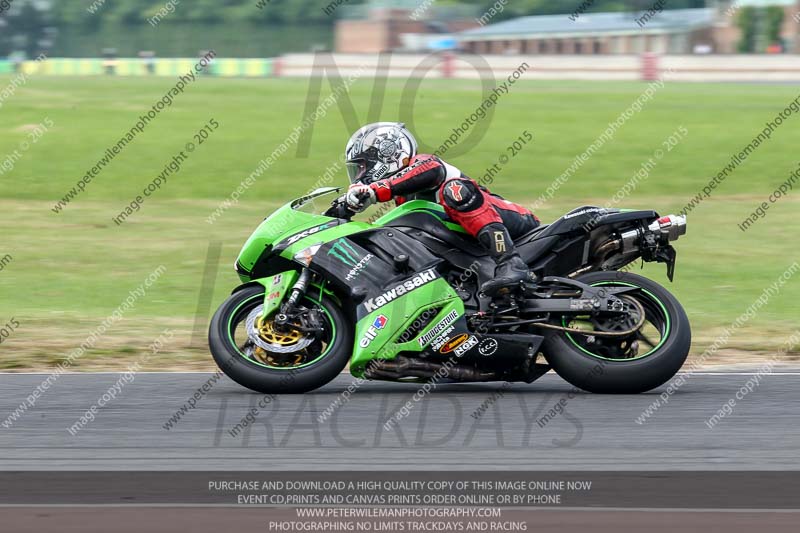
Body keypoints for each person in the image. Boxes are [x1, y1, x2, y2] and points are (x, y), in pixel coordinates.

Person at [343, 122, 540, 295]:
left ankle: (512, 263)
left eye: (362, 166)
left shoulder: (423, 163)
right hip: (473, 244)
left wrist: (375, 190)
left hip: (514, 219)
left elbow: (431, 170)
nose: (360, 175)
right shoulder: (403, 198)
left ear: (387, 154)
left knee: (455, 190)